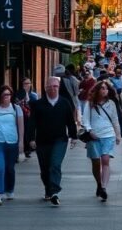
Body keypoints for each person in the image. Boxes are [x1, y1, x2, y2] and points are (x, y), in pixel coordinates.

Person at [29, 76, 78, 206]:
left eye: (55, 86)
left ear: (59, 87)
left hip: (60, 139)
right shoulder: (37, 104)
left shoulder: (64, 103)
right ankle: (48, 190)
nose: (53, 89)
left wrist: (73, 136)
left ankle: (55, 192)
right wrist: (31, 139)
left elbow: (70, 121)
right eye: (50, 86)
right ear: (45, 89)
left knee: (55, 164)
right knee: (45, 169)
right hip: (42, 141)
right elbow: (32, 123)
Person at [82, 82, 122, 201]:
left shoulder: (112, 104)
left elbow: (115, 120)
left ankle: (104, 188)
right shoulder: (90, 103)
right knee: (95, 163)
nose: (105, 90)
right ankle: (99, 183)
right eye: (102, 88)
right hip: (94, 135)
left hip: (108, 135)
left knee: (105, 160)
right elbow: (85, 119)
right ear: (98, 90)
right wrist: (89, 131)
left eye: (106, 89)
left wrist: (118, 134)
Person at [15, 77, 39, 158]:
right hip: (21, 117)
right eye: (26, 83)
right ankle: (24, 149)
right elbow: (16, 104)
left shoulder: (33, 95)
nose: (28, 85)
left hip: (30, 117)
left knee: (29, 132)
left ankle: (28, 149)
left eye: (29, 83)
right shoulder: (18, 94)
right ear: (22, 85)